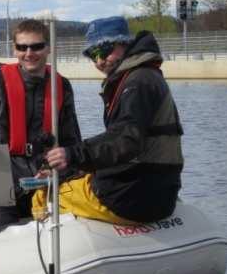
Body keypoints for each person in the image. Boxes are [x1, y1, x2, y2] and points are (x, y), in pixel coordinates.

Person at [37, 16, 183, 224]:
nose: (98, 61)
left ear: (124, 44)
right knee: (74, 178)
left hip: (132, 196)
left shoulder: (137, 83)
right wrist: (74, 165)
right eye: (91, 55)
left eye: (104, 51)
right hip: (157, 189)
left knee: (41, 196)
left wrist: (72, 154)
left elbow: (125, 141)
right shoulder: (143, 76)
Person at [0, 18, 81, 227]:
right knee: (0, 227)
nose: (29, 53)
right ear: (15, 50)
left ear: (48, 48)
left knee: (69, 223)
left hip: (44, 176)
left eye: (36, 46)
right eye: (22, 47)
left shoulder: (62, 86)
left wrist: (60, 168)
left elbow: (72, 142)